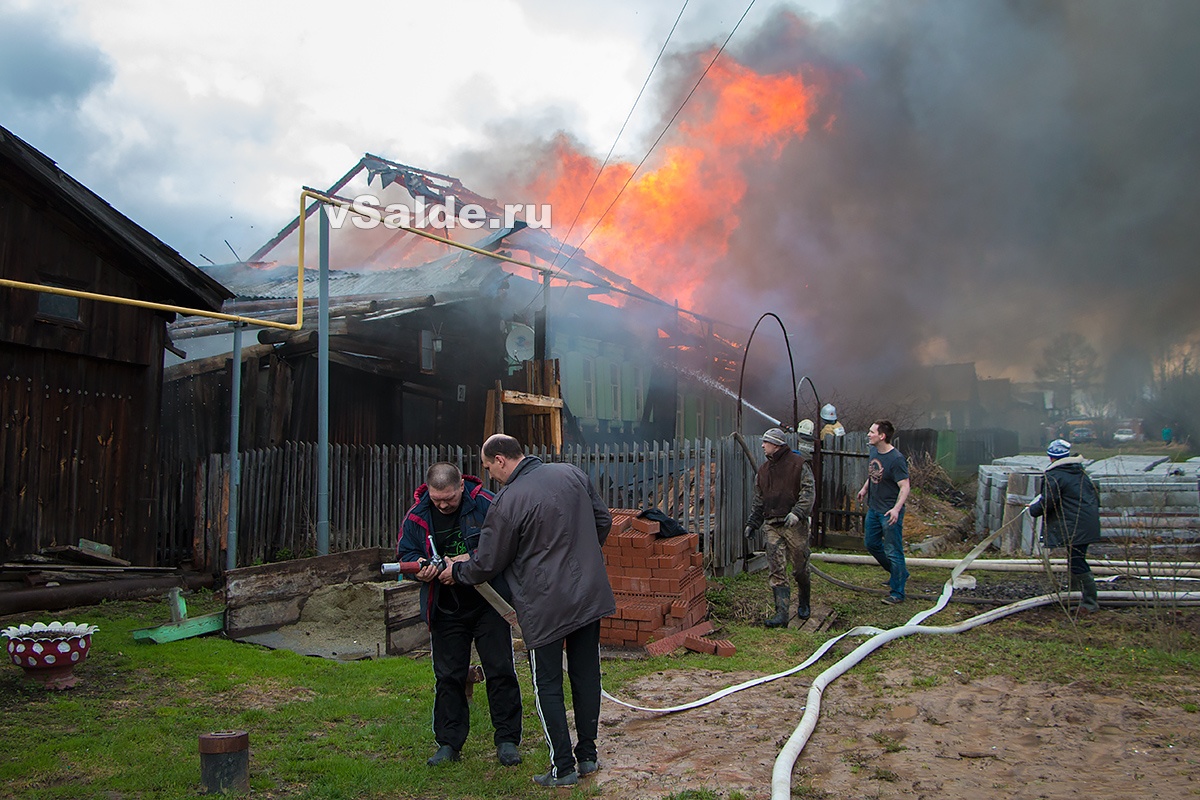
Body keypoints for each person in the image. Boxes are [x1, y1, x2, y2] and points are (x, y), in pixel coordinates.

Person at [440, 434, 615, 788]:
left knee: (547, 683)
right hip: (588, 594)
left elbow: (487, 563)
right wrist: (579, 557)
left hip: (545, 604)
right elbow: (603, 521)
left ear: (501, 460)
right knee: (586, 674)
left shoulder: (508, 501)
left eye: (490, 468)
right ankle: (588, 756)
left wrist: (457, 571)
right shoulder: (571, 473)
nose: (491, 476)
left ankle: (562, 767)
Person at [397, 462, 523, 768]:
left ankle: (507, 740)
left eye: (449, 499)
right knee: (448, 677)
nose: (442, 504)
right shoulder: (416, 516)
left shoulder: (488, 505)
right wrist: (421, 569)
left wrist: (468, 564)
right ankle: (449, 743)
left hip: (488, 603)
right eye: (437, 498)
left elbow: (508, 546)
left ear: (461, 488)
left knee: (500, 669)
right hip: (445, 606)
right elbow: (405, 554)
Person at [743, 426, 816, 626]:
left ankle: (804, 602)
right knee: (776, 568)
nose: (762, 446)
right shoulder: (764, 471)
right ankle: (781, 614)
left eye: (765, 442)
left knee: (800, 568)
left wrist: (797, 513)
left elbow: (808, 493)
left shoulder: (799, 465)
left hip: (795, 525)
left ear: (775, 444)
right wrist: (752, 523)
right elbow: (759, 501)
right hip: (772, 525)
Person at [1029, 439, 1101, 612]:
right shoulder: (1079, 472)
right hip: (1085, 522)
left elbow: (1049, 502)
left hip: (1075, 525)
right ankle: (1075, 593)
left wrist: (1033, 509)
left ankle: (1090, 603)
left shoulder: (1054, 476)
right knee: (1075, 557)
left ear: (1051, 457)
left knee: (1077, 561)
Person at [856, 420, 910, 605]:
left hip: (889, 512)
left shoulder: (896, 459)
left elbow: (905, 486)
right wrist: (865, 489)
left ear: (882, 436)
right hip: (874, 508)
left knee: (893, 550)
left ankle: (897, 592)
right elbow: (874, 474)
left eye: (872, 432)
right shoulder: (874, 451)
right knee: (871, 544)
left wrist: (896, 509)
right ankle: (899, 573)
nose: (869, 434)